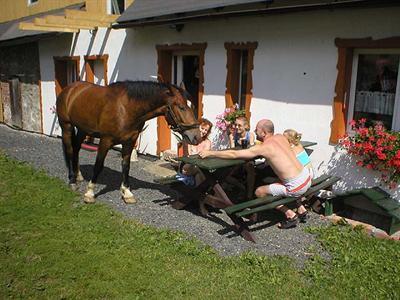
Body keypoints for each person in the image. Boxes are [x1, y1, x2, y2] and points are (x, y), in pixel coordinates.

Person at [199, 119, 311, 229]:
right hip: (307, 178)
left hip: (297, 187)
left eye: (256, 129)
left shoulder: (264, 148)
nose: (254, 130)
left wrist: (210, 153)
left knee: (259, 192)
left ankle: (290, 214)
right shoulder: (281, 137)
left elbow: (234, 154)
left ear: (264, 133)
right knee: (277, 179)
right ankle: (301, 208)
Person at [177, 118, 213, 186]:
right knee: (200, 169)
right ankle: (212, 185)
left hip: (199, 166)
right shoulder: (188, 140)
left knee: (199, 174)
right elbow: (188, 157)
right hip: (186, 165)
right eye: (202, 128)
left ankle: (199, 193)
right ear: (197, 128)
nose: (204, 131)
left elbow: (205, 156)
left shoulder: (207, 142)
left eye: (206, 130)